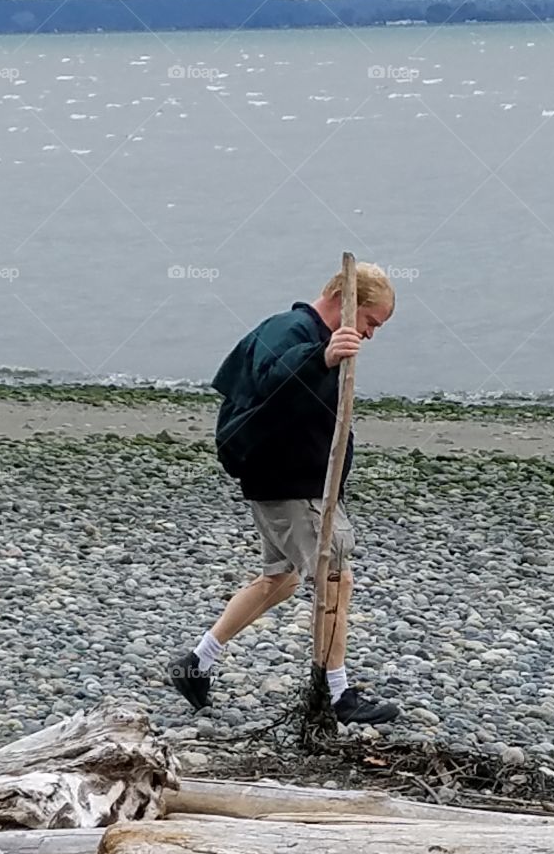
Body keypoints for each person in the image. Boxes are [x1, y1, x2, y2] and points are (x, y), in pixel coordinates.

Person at [168, 262, 400, 726]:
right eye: (371, 321)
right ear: (345, 300)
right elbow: (272, 381)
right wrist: (323, 358)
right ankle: (336, 694)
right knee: (335, 574)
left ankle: (196, 661)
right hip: (290, 484)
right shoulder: (290, 331)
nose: (371, 334)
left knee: (283, 577)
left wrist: (326, 357)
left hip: (277, 480)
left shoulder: (304, 333)